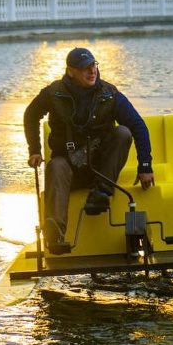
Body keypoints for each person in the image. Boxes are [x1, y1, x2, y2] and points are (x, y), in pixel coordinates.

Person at [24, 47, 154, 253]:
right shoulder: (53, 92)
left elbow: (138, 126)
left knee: (123, 133)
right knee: (56, 165)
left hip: (100, 169)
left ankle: (101, 193)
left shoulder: (109, 94)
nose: (92, 71)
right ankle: (55, 234)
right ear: (71, 71)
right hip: (68, 168)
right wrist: (35, 150)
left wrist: (145, 165)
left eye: (94, 65)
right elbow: (31, 115)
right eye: (85, 67)